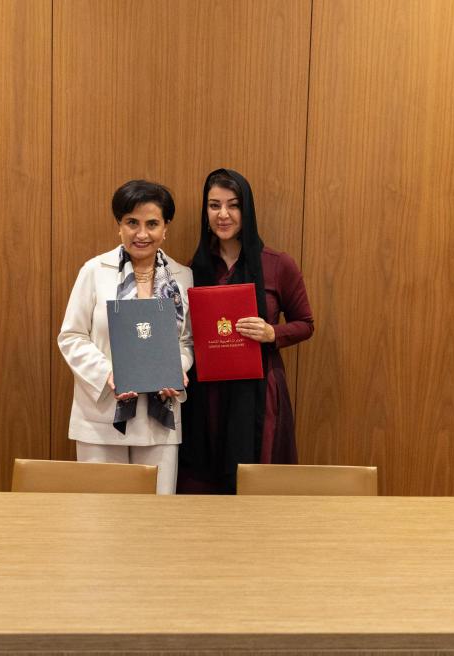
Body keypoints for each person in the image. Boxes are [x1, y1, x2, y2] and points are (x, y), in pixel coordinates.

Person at [178, 168, 314, 493]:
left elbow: (306, 324)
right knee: (205, 482)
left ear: (247, 209)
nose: (223, 214)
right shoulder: (192, 269)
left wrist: (272, 333)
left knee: (255, 481)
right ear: (205, 211)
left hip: (258, 390)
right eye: (214, 205)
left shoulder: (277, 264)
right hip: (206, 393)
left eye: (233, 205)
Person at [58, 180, 194, 495]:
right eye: (132, 223)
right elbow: (72, 336)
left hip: (160, 418)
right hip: (101, 418)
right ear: (119, 225)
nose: (141, 234)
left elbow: (186, 341)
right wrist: (108, 374)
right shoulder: (94, 271)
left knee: (154, 522)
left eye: (152, 224)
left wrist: (177, 368)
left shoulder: (183, 277)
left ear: (166, 228)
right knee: (101, 522)